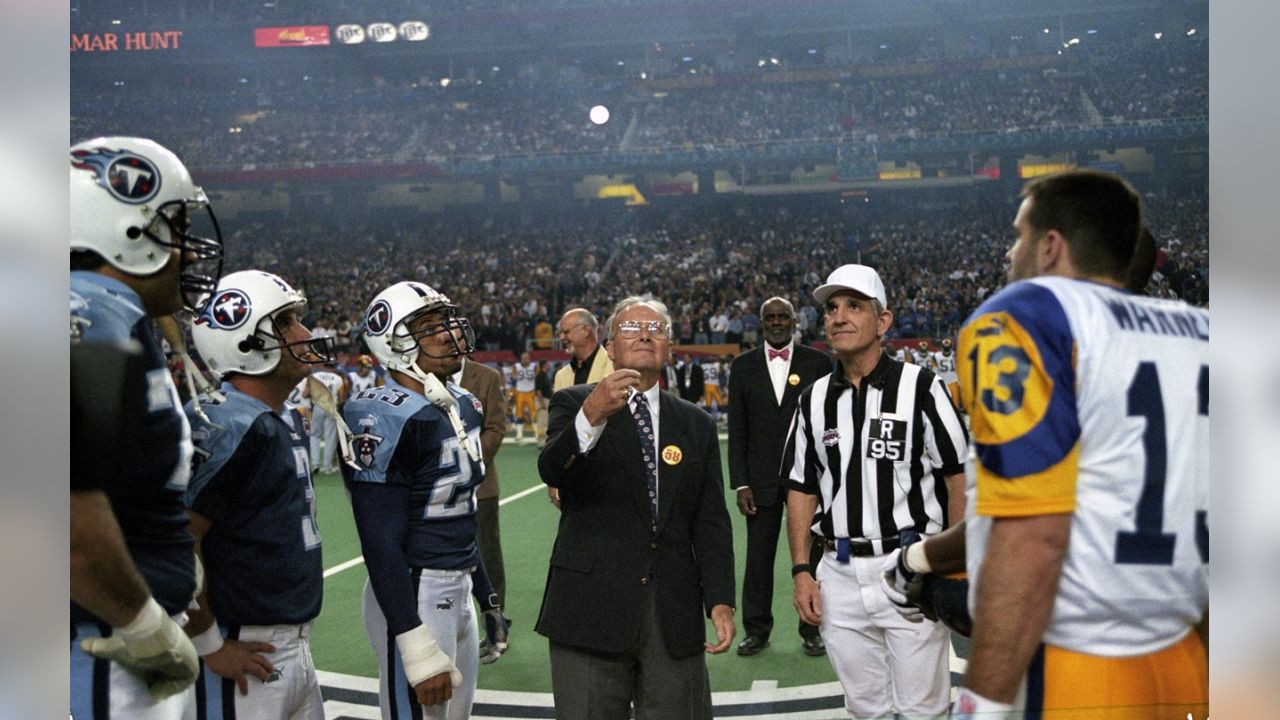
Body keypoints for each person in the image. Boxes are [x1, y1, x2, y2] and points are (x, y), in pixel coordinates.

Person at [886, 170, 1208, 718]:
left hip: (1077, 666)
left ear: (1051, 246)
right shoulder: (1201, 330)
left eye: (1019, 236)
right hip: (1189, 658)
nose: (1012, 253)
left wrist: (981, 702)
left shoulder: (1032, 316)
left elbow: (1030, 536)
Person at [70, 136, 224, 718]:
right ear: (121, 229)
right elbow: (61, 519)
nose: (187, 251)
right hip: (101, 644)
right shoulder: (89, 312)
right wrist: (143, 622)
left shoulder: (109, 313)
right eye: (169, 227)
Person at [536, 296, 736, 719]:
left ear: (668, 347)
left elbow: (711, 520)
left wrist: (719, 598)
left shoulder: (696, 424)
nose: (644, 334)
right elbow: (552, 468)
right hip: (590, 607)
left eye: (655, 328)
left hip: (672, 610)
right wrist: (592, 414)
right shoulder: (574, 403)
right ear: (610, 347)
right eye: (630, 328)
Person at [784, 264, 968, 719]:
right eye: (831, 308)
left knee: (922, 710)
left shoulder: (922, 387)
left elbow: (957, 477)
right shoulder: (813, 399)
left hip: (909, 567)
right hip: (839, 573)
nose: (839, 317)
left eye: (854, 306)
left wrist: (954, 566)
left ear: (883, 321)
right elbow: (801, 489)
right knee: (865, 710)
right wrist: (802, 571)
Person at [184, 270, 336, 719]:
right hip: (243, 649)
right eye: (286, 323)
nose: (304, 333)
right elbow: (175, 538)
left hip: (291, 644)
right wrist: (208, 643)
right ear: (244, 341)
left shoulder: (280, 416)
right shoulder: (228, 424)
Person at [343, 281, 497, 720]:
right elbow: (378, 538)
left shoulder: (462, 403)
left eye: (446, 321)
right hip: (415, 587)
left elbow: (462, 513)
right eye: (429, 327)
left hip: (458, 581)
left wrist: (486, 596)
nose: (448, 334)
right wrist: (410, 637)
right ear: (392, 342)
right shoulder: (382, 413)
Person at [727, 297, 831, 658]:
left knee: (812, 558)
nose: (775, 322)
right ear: (760, 323)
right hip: (760, 481)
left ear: (794, 321)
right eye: (769, 317)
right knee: (758, 559)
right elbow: (736, 428)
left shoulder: (819, 363)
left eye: (782, 316)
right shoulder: (742, 367)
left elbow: (828, 421)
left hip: (810, 478)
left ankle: (813, 628)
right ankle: (756, 630)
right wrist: (740, 482)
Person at [454, 353, 510, 658]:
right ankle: (456, 626)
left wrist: (469, 462)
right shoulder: (424, 373)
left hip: (481, 483)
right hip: (437, 488)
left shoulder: (486, 377)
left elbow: (496, 427)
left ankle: (496, 626)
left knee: (487, 556)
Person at [549, 307, 614, 508]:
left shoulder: (615, 366)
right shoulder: (562, 376)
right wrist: (554, 477)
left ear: (585, 330)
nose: (562, 337)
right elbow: (557, 431)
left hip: (611, 469)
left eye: (565, 332)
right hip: (573, 471)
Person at [306, 360, 346, 475]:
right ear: (334, 366)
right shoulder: (338, 378)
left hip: (318, 405)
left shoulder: (315, 376)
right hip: (332, 407)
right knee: (330, 437)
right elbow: (342, 397)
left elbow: (307, 393)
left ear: (324, 365)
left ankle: (315, 464)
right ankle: (327, 467)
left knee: (315, 435)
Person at [511, 351, 538, 444]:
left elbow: (538, 376)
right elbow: (513, 376)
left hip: (531, 391)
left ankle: (537, 433)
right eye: (523, 358)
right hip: (520, 392)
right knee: (519, 414)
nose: (525, 359)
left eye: (526, 358)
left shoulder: (535, 366)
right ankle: (519, 434)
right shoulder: (516, 366)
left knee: (534, 413)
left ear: (529, 358)